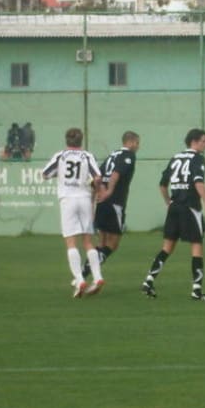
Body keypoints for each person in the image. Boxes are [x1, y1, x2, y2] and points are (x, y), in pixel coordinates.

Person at [141, 128, 205, 301]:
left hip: (175, 207)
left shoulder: (176, 158)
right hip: (190, 207)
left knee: (167, 247)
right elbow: (198, 182)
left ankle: (148, 281)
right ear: (194, 142)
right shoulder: (198, 158)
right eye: (204, 140)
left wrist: (168, 202)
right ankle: (196, 290)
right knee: (197, 245)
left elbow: (162, 184)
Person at [41, 127, 105, 297]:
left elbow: (45, 174)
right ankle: (97, 277)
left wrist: (60, 174)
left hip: (67, 199)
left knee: (71, 242)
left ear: (66, 140)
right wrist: (95, 190)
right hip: (84, 198)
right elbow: (97, 178)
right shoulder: (87, 156)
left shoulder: (60, 156)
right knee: (88, 242)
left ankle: (79, 280)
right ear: (81, 140)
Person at [83, 131, 140, 279]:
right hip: (115, 203)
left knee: (101, 244)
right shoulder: (128, 155)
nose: (138, 147)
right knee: (113, 244)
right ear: (132, 142)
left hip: (102, 202)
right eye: (137, 143)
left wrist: (98, 194)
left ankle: (91, 276)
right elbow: (116, 173)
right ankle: (87, 269)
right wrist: (109, 191)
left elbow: (97, 177)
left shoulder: (112, 155)